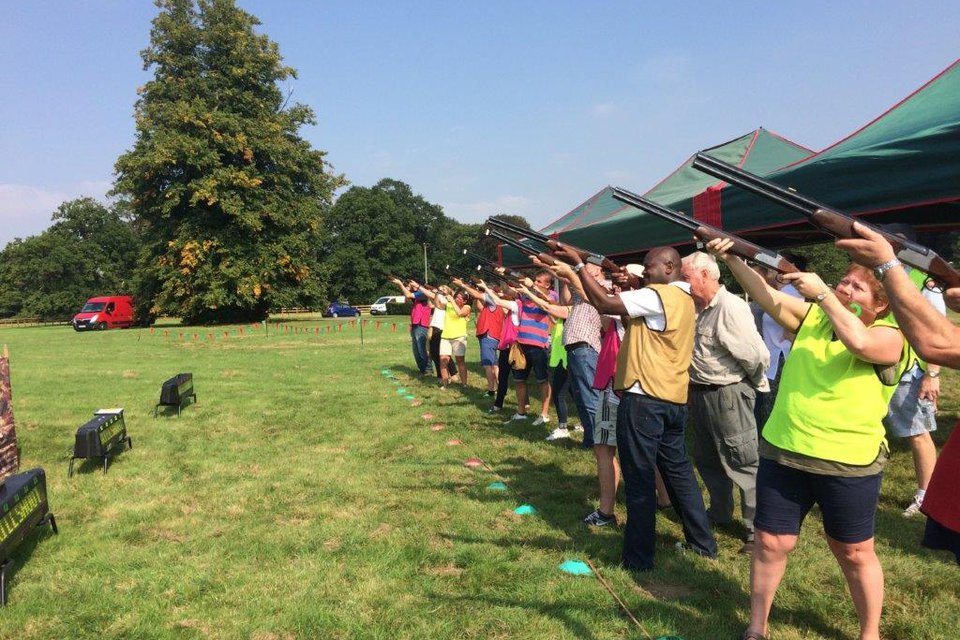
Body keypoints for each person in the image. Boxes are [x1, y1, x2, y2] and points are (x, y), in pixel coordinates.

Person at [706, 237, 910, 640]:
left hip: (848, 462)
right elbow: (769, 298)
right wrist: (731, 258)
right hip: (785, 451)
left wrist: (823, 296)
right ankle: (757, 627)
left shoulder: (894, 334)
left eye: (856, 287)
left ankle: (870, 633)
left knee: (853, 552)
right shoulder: (817, 318)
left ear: (882, 304)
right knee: (769, 543)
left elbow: (861, 343)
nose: (844, 289)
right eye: (843, 282)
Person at [573, 246, 717, 571]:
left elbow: (603, 303)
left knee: (639, 480)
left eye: (650, 267)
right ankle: (702, 542)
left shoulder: (658, 296)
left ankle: (638, 559)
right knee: (680, 474)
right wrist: (630, 284)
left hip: (644, 397)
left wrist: (581, 263)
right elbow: (631, 315)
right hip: (672, 398)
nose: (646, 272)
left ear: (669, 267)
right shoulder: (682, 299)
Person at [836, 222, 960, 565]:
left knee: (918, 432)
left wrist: (888, 265)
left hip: (915, 370)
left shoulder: (911, 283)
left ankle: (924, 492)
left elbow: (936, 342)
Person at [681, 251, 769, 555]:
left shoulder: (731, 307)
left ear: (705, 275)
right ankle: (719, 513)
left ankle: (755, 531)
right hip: (701, 393)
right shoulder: (696, 308)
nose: (683, 283)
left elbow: (756, 356)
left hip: (728, 393)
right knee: (708, 459)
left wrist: (741, 387)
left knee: (742, 460)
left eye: (686, 277)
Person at [751, 252, 806, 432]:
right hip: (775, 355)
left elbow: (792, 325)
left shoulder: (792, 292)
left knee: (772, 404)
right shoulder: (783, 292)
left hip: (783, 356)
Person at [511, 270, 556, 425]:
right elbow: (509, 291)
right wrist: (508, 276)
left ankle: (544, 414)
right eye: (534, 281)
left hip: (538, 344)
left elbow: (548, 303)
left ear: (547, 284)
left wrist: (532, 289)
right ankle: (521, 412)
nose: (535, 283)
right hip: (522, 343)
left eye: (539, 281)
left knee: (542, 379)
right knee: (519, 379)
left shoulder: (552, 295)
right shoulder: (527, 294)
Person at [454, 277, 504, 396]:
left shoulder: (493, 300)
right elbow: (480, 305)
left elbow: (477, 295)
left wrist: (463, 285)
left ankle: (492, 390)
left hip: (488, 335)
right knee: (495, 364)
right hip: (492, 335)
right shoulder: (495, 303)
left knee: (488, 365)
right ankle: (500, 388)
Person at [391, 277, 432, 375]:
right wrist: (406, 287)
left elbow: (408, 295)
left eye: (412, 283)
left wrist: (400, 284)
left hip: (422, 324)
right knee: (416, 350)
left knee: (421, 349)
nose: (410, 285)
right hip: (415, 323)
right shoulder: (417, 294)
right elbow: (407, 297)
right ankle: (422, 370)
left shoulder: (423, 293)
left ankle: (428, 370)